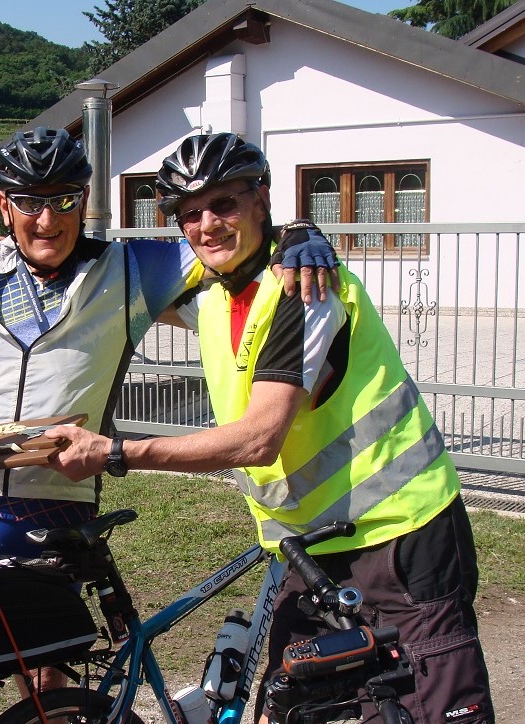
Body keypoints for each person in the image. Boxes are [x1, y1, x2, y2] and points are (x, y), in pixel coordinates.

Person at [0, 126, 337, 724]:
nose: (47, 219)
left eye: (64, 200)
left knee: (47, 682)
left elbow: (232, 239)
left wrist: (301, 233)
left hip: (56, 503)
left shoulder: (131, 268)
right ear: (3, 205)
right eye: (28, 202)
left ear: (84, 200)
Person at [48, 132, 494, 724]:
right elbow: (109, 272)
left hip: (401, 535)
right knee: (289, 706)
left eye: (223, 204)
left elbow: (260, 438)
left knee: (427, 706)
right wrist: (7, 250)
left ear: (261, 199)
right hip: (311, 544)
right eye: (188, 213)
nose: (206, 225)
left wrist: (115, 452)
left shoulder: (304, 290)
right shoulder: (211, 296)